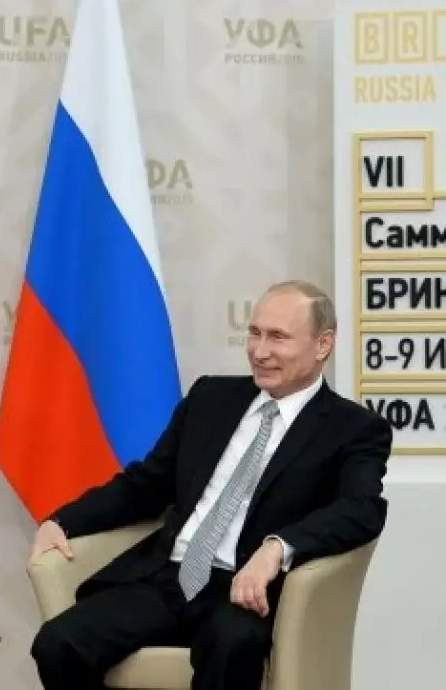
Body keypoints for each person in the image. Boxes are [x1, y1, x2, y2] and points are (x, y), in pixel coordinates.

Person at [29, 280, 392, 690]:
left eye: (278, 337)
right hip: (168, 577)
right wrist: (64, 520)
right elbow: (146, 484)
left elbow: (362, 509)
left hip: (244, 592)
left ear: (323, 344)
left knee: (232, 644)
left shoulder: (353, 428)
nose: (260, 351)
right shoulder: (211, 397)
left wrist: (277, 548)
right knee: (58, 644)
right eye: (255, 333)